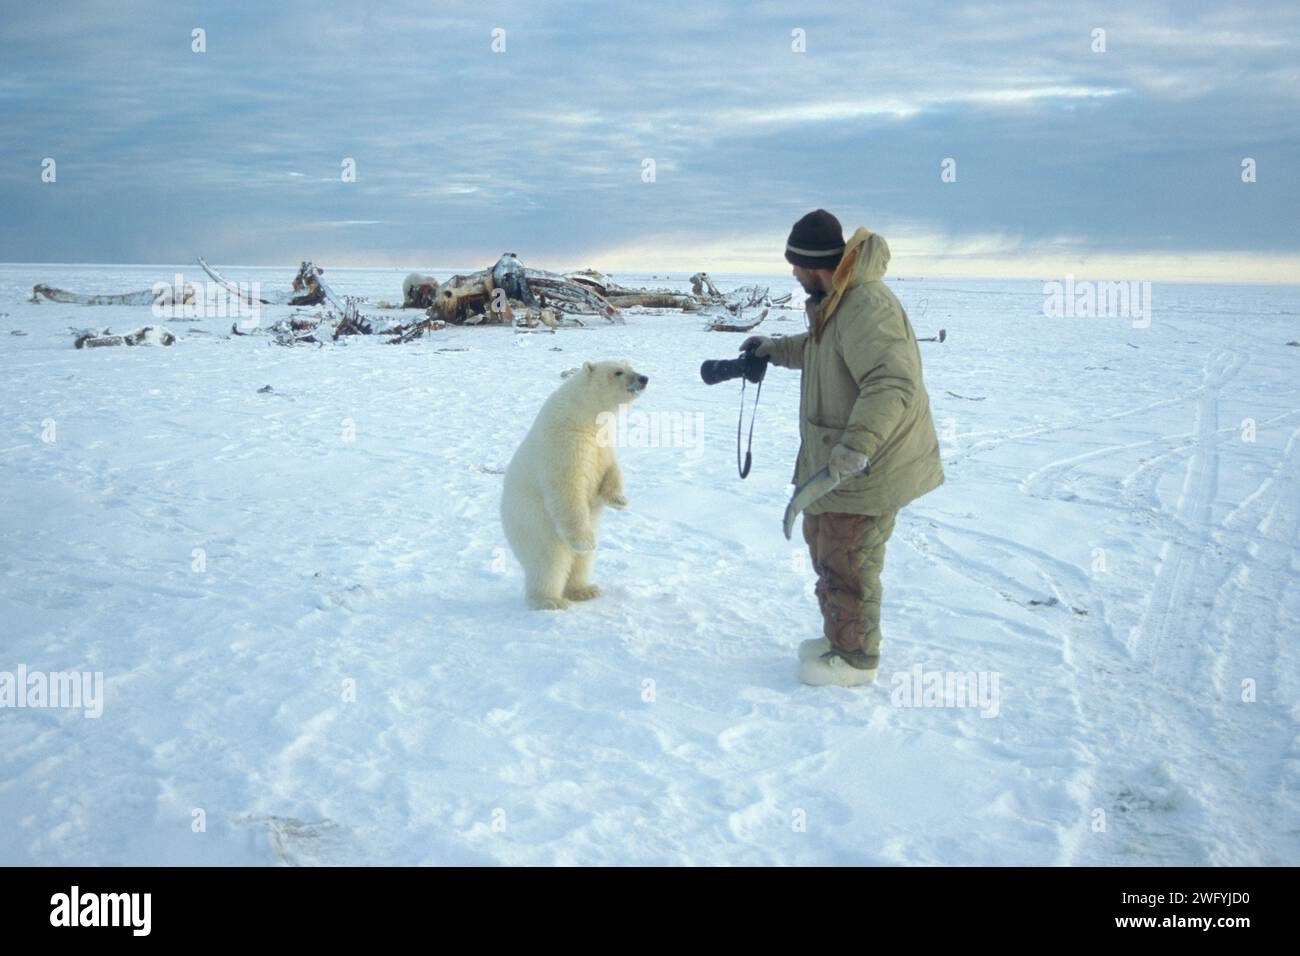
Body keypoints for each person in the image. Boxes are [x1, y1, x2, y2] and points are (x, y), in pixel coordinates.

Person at [743, 209, 944, 687]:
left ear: (815, 264)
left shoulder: (864, 305)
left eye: (795, 264)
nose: (791, 273)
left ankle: (855, 657)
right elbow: (819, 349)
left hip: (863, 468)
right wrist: (774, 348)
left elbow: (892, 381)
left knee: (849, 561)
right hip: (834, 465)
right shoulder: (838, 301)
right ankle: (840, 637)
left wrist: (856, 447)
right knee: (829, 553)